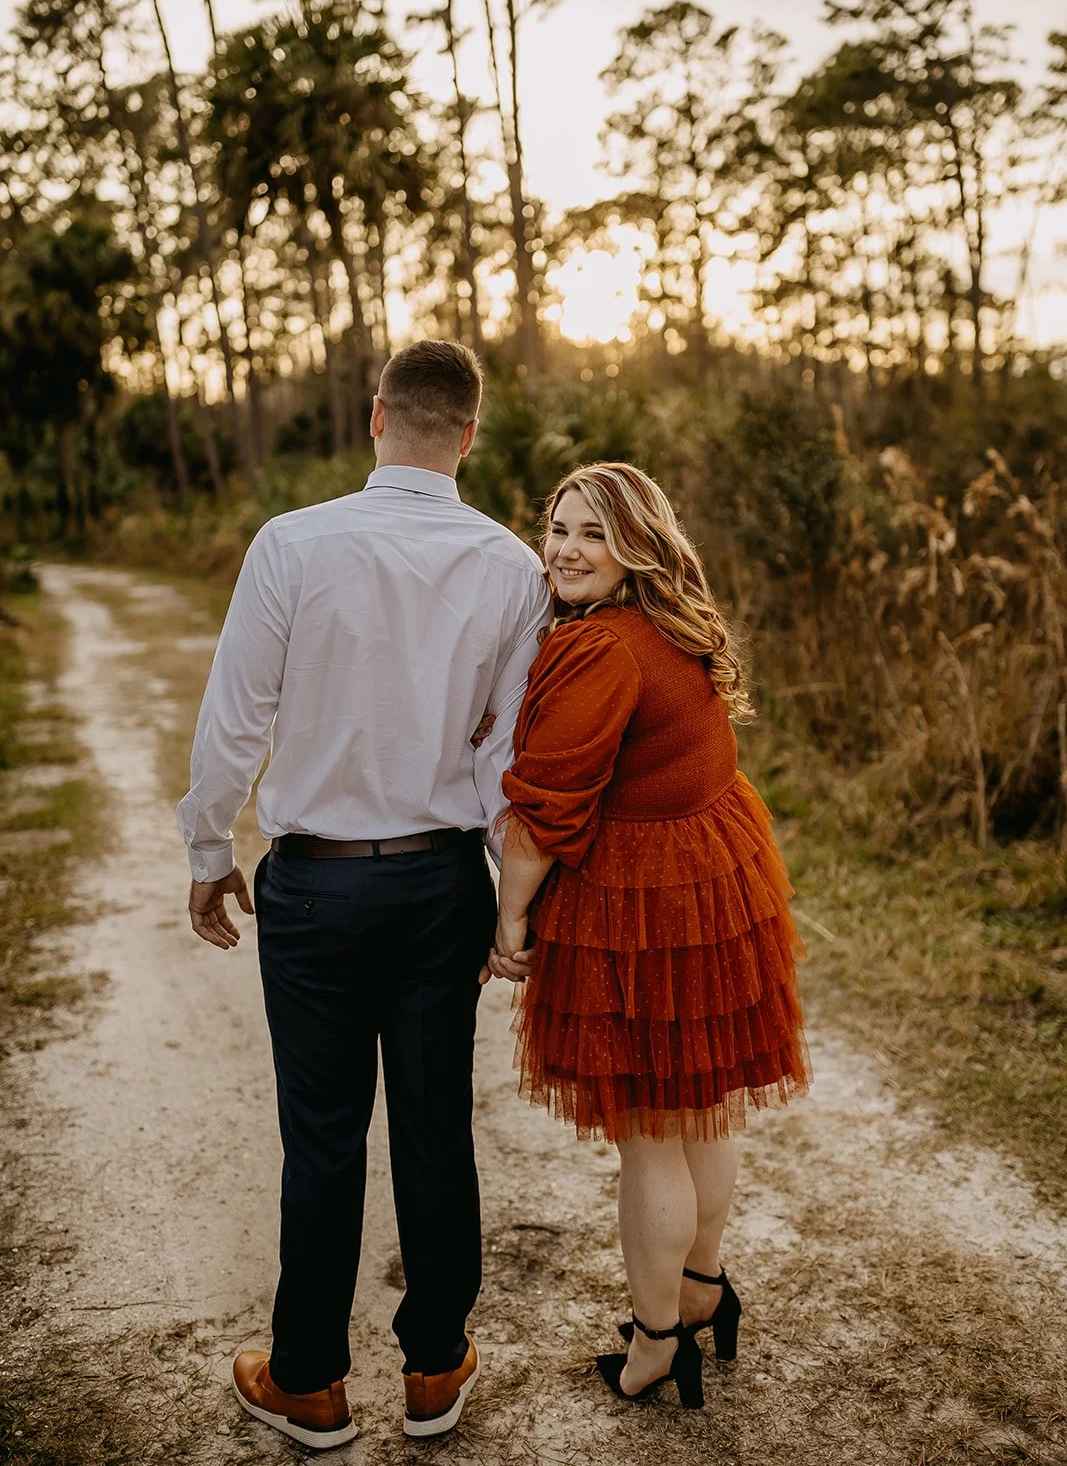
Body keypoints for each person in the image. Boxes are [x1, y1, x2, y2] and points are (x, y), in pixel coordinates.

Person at [177, 340, 551, 1447]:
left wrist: (208, 848)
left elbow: (234, 718)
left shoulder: (291, 544)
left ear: (374, 415)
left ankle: (308, 1381)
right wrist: (507, 902)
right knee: (436, 1128)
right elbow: (505, 759)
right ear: (469, 435)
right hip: (440, 883)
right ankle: (435, 1367)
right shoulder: (512, 568)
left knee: (324, 1137)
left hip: (313, 889)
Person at [485, 461, 810, 1409]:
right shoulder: (674, 625)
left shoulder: (601, 650)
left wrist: (508, 919)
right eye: (557, 528)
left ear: (635, 544)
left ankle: (658, 1342)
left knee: (649, 1139)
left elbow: (544, 811)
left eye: (593, 532)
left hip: (647, 900)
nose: (566, 550)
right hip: (709, 878)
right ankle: (702, 1287)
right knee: (697, 1105)